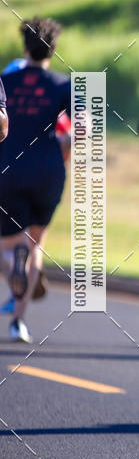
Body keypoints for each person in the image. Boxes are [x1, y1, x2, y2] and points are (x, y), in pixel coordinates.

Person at [0, 18, 71, 343]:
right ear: (53, 50)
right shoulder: (64, 85)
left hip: (8, 171)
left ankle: (15, 270)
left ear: (23, 46)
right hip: (48, 172)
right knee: (35, 244)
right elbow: (80, 132)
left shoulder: (5, 80)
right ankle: (19, 322)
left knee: (10, 246)